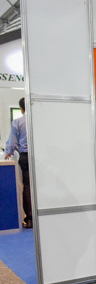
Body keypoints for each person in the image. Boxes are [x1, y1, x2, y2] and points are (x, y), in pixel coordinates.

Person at [4, 98, 32, 229]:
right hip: (40, 157)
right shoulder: (38, 120)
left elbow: (12, 141)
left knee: (27, 186)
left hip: (25, 156)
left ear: (21, 109)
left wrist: (8, 152)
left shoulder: (18, 122)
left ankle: (30, 219)